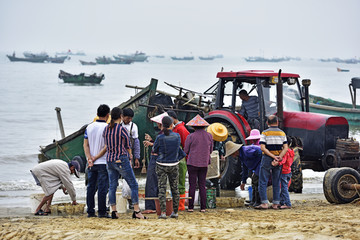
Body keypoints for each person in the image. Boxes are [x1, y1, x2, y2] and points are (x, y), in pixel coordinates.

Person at [103, 107, 146, 219]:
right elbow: (128, 145)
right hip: (121, 159)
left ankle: (114, 211)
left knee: (112, 186)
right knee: (133, 184)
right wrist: (131, 155)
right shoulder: (122, 130)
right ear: (121, 116)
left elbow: (106, 144)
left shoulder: (106, 129)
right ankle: (137, 211)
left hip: (109, 160)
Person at [153, 116, 186, 219]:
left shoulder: (160, 137)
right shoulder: (177, 136)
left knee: (162, 188)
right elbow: (179, 151)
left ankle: (163, 213)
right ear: (172, 125)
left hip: (161, 165)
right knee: (174, 188)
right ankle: (175, 212)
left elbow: (154, 149)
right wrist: (176, 159)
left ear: (162, 125)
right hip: (174, 165)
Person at [256, 115, 288, 210]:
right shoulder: (282, 133)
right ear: (277, 122)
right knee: (276, 181)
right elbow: (285, 147)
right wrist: (279, 157)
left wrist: (272, 156)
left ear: (267, 123)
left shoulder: (265, 133)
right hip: (278, 159)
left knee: (263, 181)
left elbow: (262, 147)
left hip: (267, 158)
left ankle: (264, 203)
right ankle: (275, 203)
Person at [83, 104, 110, 218]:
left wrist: (90, 158)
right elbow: (106, 147)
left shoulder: (89, 127)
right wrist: (96, 157)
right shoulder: (107, 128)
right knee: (103, 187)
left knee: (91, 187)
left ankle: (90, 211)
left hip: (91, 163)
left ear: (97, 113)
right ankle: (102, 211)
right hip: (102, 162)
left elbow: (85, 145)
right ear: (108, 115)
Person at [184, 115, 213, 212]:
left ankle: (191, 207)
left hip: (192, 162)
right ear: (204, 126)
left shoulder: (191, 136)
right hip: (204, 163)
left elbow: (186, 150)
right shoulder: (209, 136)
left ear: (193, 127)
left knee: (192, 185)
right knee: (202, 184)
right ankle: (203, 207)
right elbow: (211, 150)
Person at [143, 112, 168, 214]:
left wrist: (150, 144)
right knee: (159, 183)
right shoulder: (167, 133)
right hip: (163, 161)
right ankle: (158, 205)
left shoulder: (162, 134)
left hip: (156, 159)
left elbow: (159, 147)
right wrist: (152, 141)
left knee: (151, 182)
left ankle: (150, 206)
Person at [224, 140, 262, 207]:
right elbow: (244, 168)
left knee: (256, 181)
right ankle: (253, 200)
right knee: (254, 182)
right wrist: (243, 182)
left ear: (235, 151)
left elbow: (259, 152)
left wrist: (258, 164)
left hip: (260, 164)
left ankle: (258, 201)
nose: (233, 156)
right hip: (256, 166)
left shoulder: (246, 151)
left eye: (232, 154)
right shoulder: (241, 156)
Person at [167, 110, 189, 211]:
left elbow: (186, 146)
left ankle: (180, 206)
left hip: (180, 160)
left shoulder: (181, 129)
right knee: (174, 182)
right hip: (175, 159)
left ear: (172, 118)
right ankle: (176, 204)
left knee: (179, 182)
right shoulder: (178, 128)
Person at [121, 108, 140, 210]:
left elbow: (136, 143)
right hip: (118, 155)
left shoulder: (133, 127)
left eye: (130, 119)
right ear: (122, 116)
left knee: (129, 179)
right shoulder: (118, 125)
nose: (128, 120)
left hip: (129, 156)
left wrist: (137, 157)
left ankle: (131, 202)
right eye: (127, 118)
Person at [278, 137, 295, 209]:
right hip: (289, 171)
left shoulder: (285, 152)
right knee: (284, 187)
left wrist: (277, 162)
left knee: (284, 188)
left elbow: (283, 160)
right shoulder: (291, 151)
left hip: (284, 171)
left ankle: (288, 203)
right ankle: (282, 202)